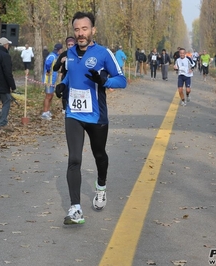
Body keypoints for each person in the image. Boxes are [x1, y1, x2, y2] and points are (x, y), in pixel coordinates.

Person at [54, 11, 127, 225]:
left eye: (84, 29)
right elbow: (70, 75)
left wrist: (103, 81)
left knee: (99, 155)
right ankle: (75, 209)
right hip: (73, 114)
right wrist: (62, 85)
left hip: (96, 116)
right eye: (77, 29)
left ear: (93, 30)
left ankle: (101, 186)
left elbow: (122, 80)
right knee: (74, 159)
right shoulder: (70, 53)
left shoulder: (104, 53)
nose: (80, 33)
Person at [53, 37, 76, 113]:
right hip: (65, 77)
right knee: (65, 93)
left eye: (72, 44)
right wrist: (61, 62)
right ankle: (65, 108)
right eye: (68, 45)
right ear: (66, 45)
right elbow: (55, 68)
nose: (70, 46)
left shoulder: (78, 53)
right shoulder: (63, 54)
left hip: (76, 78)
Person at [41, 43, 63, 120]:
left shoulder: (55, 56)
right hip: (48, 80)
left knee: (51, 95)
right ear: (59, 50)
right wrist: (47, 70)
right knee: (48, 96)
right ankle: (44, 112)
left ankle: (47, 111)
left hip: (52, 80)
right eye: (61, 49)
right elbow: (47, 63)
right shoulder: (52, 56)